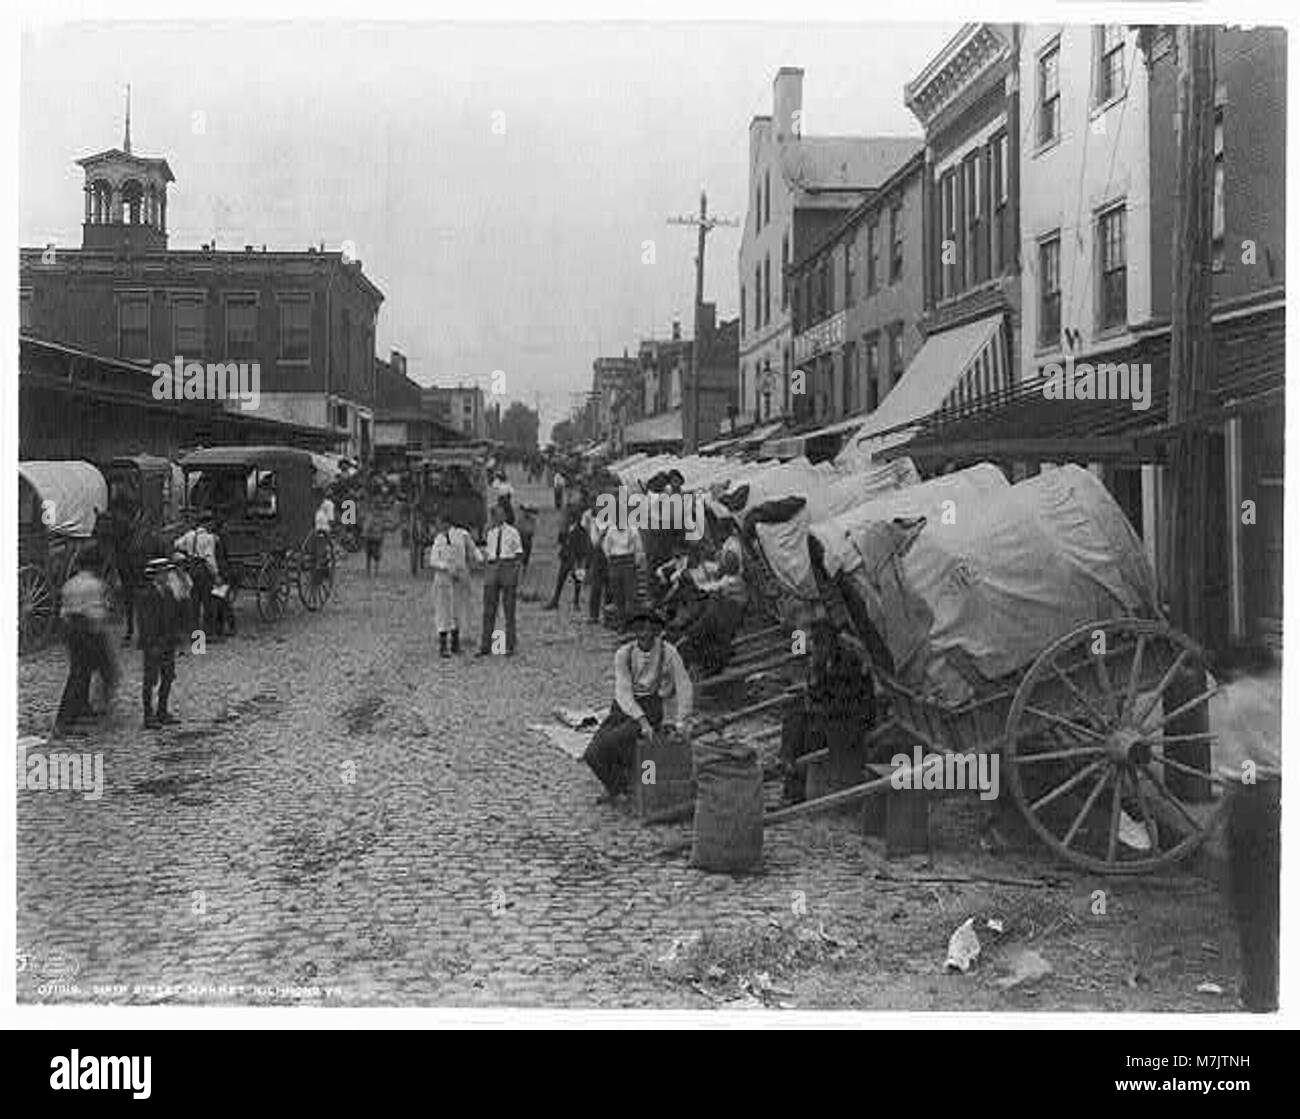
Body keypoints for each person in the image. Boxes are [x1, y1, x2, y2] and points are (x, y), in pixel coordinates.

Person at [1212, 648, 1282, 1012]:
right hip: (1281, 793)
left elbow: (1224, 758)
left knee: (1253, 903)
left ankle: (1260, 995)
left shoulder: (1232, 698)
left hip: (1247, 801)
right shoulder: (1282, 691)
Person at [582, 608, 693, 802]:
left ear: (657, 632)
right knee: (593, 753)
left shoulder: (669, 652)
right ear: (634, 632)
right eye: (641, 629)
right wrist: (642, 722)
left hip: (651, 706)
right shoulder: (623, 654)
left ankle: (637, 785)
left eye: (651, 630)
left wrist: (681, 721)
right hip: (625, 707)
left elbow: (684, 685)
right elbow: (623, 693)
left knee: (616, 742)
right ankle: (617, 787)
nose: (646, 635)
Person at [52, 547, 118, 737]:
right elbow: (97, 612)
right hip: (88, 630)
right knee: (91, 674)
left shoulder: (70, 584)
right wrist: (101, 635)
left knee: (80, 671)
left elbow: (63, 613)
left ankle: (82, 708)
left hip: (72, 630)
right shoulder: (95, 585)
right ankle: (64, 722)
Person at [137, 554, 184, 728]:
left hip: (168, 641)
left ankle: (162, 711)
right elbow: (145, 622)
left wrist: (176, 636)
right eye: (164, 573)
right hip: (154, 643)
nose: (166, 576)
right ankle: (148, 716)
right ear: (155, 575)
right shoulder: (146, 594)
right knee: (150, 680)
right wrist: (151, 643)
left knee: (168, 677)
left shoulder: (169, 592)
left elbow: (173, 616)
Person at [477, 500, 524, 656]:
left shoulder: (513, 532)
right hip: (492, 566)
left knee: (509, 609)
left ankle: (509, 645)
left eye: (498, 513)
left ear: (504, 515)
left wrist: (515, 573)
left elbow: (518, 554)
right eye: (494, 514)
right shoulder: (490, 533)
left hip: (507, 565)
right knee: (489, 609)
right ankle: (486, 644)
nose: (496, 517)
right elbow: (486, 551)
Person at [428, 511, 473, 657]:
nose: (437, 526)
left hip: (457, 579)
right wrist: (447, 567)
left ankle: (455, 643)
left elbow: (471, 550)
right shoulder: (438, 540)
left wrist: (481, 558)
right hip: (443, 580)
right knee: (442, 611)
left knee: (457, 610)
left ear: (446, 523)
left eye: (439, 523)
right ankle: (443, 645)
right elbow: (433, 560)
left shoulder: (461, 535)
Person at [543, 502, 589, 611]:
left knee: (577, 579)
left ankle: (575, 603)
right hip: (568, 555)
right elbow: (561, 540)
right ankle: (557, 601)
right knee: (562, 579)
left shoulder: (580, 529)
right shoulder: (569, 526)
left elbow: (581, 544)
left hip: (576, 556)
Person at [601, 516, 642, 629]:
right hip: (615, 562)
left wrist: (635, 563)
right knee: (618, 595)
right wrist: (611, 560)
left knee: (630, 595)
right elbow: (606, 547)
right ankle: (621, 623)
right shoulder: (611, 530)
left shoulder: (633, 531)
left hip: (628, 562)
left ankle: (631, 623)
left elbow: (638, 549)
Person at [361, 499, 385, 576]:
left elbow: (366, 527)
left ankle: (369, 571)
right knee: (376, 555)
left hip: (371, 538)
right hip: (377, 538)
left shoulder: (369, 516)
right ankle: (375, 571)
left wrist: (364, 534)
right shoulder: (381, 518)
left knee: (369, 555)